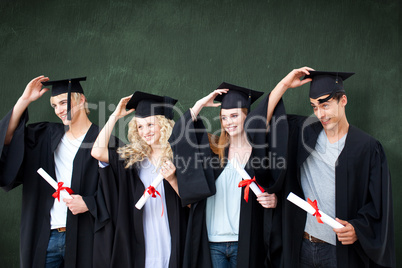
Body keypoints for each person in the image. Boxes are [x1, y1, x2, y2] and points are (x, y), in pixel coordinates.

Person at [258, 67, 395, 267]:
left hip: (338, 252)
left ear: (343, 101)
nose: (320, 113)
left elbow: (378, 205)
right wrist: (285, 84)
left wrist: (358, 229)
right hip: (302, 245)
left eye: (325, 105)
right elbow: (261, 123)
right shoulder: (302, 133)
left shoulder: (366, 148)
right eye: (314, 106)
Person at [169, 82, 282, 268]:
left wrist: (274, 200)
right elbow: (179, 135)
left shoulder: (261, 155)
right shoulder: (213, 152)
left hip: (246, 241)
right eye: (224, 117)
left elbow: (277, 191)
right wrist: (200, 105)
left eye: (234, 115)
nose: (229, 122)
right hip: (213, 243)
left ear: (248, 116)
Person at [0, 76, 107, 267]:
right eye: (54, 105)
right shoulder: (44, 136)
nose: (58, 110)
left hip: (86, 237)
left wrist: (89, 203)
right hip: (46, 236)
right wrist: (24, 100)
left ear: (81, 99)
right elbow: (7, 138)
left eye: (64, 102)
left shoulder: (105, 142)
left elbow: (119, 192)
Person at [91, 91, 188, 268]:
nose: (145, 132)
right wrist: (114, 116)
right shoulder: (133, 159)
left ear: (163, 124)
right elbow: (97, 152)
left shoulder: (178, 157)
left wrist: (173, 179)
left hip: (171, 234)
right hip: (141, 236)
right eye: (140, 127)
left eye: (150, 124)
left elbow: (192, 204)